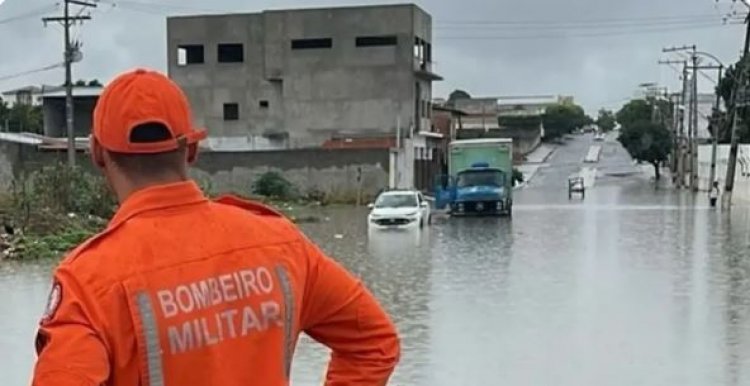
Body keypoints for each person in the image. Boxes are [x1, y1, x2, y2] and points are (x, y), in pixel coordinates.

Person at [31, 68, 400, 386]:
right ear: (191, 150)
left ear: (97, 153)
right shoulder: (278, 243)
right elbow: (373, 342)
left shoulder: (90, 282)